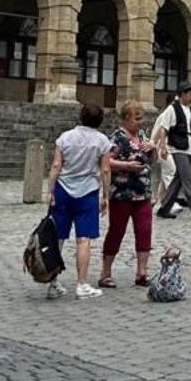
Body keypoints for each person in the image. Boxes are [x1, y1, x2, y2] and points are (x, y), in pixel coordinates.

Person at [46, 101, 112, 299]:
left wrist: (50, 190)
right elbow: (106, 169)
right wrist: (106, 195)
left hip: (63, 190)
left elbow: (56, 165)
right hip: (88, 192)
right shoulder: (102, 141)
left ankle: (52, 281)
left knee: (57, 238)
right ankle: (82, 284)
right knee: (83, 240)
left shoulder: (65, 137)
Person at [98, 102, 155, 289]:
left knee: (144, 230)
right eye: (137, 118)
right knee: (117, 231)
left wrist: (152, 148)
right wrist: (127, 166)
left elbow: (152, 160)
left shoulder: (143, 136)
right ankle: (105, 272)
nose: (141, 122)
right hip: (121, 192)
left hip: (143, 191)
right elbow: (107, 162)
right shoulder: (117, 138)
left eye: (142, 118)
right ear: (126, 118)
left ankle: (142, 272)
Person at [153, 85, 191, 221]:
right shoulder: (173, 109)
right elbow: (164, 129)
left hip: (188, 147)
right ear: (182, 94)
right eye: (190, 94)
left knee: (178, 180)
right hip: (178, 148)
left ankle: (164, 208)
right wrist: (163, 147)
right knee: (188, 179)